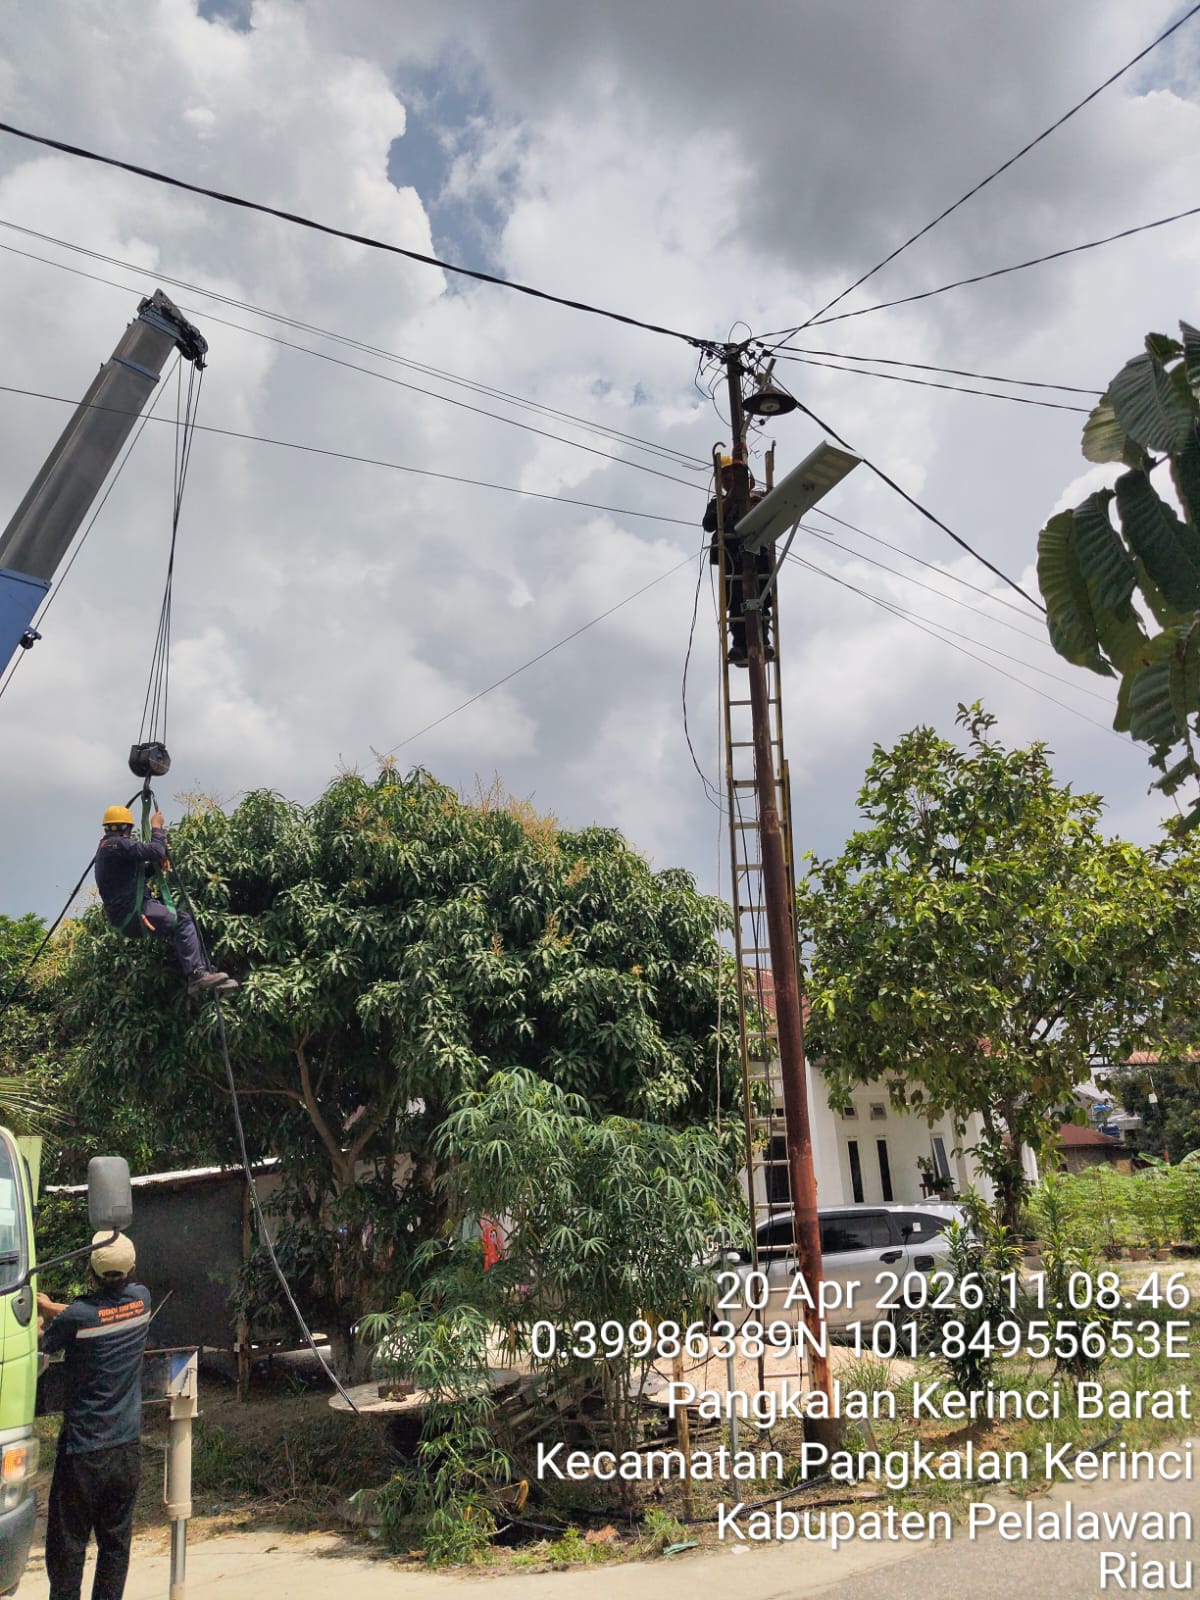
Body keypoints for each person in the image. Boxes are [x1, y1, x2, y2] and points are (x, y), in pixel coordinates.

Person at [38, 1232, 152, 1600]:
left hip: (83, 1456)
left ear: (90, 1272)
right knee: (115, 1549)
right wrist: (56, 1307)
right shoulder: (142, 1301)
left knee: (68, 1550)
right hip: (126, 1451)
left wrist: (40, 1315)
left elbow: (47, 1343)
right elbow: (94, 1315)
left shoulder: (78, 1317)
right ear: (132, 1270)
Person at [94, 806, 235, 996]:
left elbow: (137, 875)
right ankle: (197, 975)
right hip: (135, 912)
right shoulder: (118, 845)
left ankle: (203, 974)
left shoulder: (107, 849)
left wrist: (156, 863)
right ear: (125, 827)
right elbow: (156, 850)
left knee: (183, 919)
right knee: (183, 921)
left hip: (129, 913)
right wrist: (157, 827)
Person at [703, 457, 775, 665]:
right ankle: (740, 645)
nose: (726, 479)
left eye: (730, 474)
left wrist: (754, 499)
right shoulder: (718, 504)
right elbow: (709, 523)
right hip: (732, 558)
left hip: (757, 555)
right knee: (736, 600)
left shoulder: (759, 496)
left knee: (759, 597)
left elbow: (777, 508)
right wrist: (734, 496)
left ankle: (763, 641)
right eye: (723, 476)